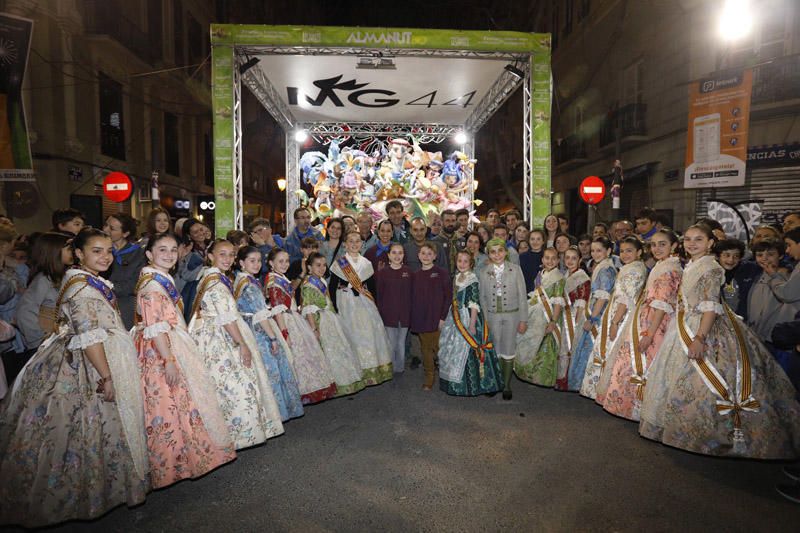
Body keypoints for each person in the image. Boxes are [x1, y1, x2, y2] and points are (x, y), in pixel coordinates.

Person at [0, 228, 147, 527]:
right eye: (96, 250)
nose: (105, 256)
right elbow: (89, 336)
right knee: (79, 426)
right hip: (84, 362)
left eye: (108, 250)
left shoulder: (87, 280)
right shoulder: (81, 287)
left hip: (96, 352)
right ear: (78, 253)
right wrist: (106, 376)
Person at [639, 224, 800, 459]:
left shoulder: (711, 268)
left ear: (710, 243)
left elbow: (710, 307)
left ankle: (710, 434)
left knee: (703, 383)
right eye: (689, 240)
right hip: (684, 324)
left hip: (702, 328)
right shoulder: (692, 264)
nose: (692, 244)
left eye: (699, 240)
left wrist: (700, 338)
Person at [133, 233, 235, 488]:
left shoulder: (160, 278)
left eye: (172, 250)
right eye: (161, 250)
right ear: (149, 254)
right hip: (162, 350)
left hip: (170, 342)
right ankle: (177, 460)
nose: (169, 255)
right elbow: (155, 325)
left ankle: (189, 456)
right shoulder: (152, 285)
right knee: (172, 404)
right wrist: (168, 360)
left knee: (183, 404)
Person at [188, 239, 285, 448]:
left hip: (216, 331)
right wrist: (241, 344)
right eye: (222, 254)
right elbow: (227, 318)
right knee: (236, 387)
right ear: (210, 255)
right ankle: (237, 433)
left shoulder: (213, 277)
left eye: (231, 255)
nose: (228, 259)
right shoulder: (215, 281)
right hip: (222, 336)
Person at [600, 229, 682, 420]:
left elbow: (662, 305)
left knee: (642, 364)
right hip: (644, 317)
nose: (657, 248)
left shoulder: (670, 269)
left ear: (674, 246)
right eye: (654, 245)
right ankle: (631, 407)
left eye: (662, 244)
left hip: (654, 323)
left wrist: (650, 334)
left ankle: (638, 408)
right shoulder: (662, 265)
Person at [234, 246, 304, 421]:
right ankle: (275, 413)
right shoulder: (249, 284)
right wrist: (273, 338)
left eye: (258, 261)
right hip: (258, 331)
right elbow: (260, 315)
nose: (257, 264)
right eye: (252, 261)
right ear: (241, 263)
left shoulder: (244, 280)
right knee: (271, 371)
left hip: (250, 326)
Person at [265, 247, 337, 404]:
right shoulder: (274, 281)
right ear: (271, 263)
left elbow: (291, 290)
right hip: (286, 321)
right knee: (298, 357)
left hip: (292, 317)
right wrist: (285, 333)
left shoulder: (279, 277)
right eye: (280, 261)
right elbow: (278, 310)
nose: (285, 264)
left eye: (286, 261)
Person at [588, 236, 648, 402]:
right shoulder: (629, 267)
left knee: (613, 352)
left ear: (640, 252)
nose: (625, 254)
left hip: (622, 315)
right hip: (616, 312)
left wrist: (615, 322)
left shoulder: (634, 270)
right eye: (622, 251)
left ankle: (613, 395)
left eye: (630, 251)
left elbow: (625, 299)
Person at [329, 231, 393, 385]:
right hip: (345, 302)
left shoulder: (366, 263)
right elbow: (332, 287)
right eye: (351, 241)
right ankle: (353, 370)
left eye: (357, 241)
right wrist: (335, 308)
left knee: (367, 334)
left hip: (364, 303)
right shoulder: (340, 263)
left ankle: (370, 369)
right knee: (349, 334)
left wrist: (375, 305)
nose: (354, 244)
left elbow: (372, 287)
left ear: (361, 244)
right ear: (345, 244)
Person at [439, 250, 504, 396]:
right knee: (453, 349)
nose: (462, 264)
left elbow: (474, 303)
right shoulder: (456, 277)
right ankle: (454, 383)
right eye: (459, 261)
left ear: (471, 263)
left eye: (465, 261)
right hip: (455, 316)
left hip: (469, 317)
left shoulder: (472, 278)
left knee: (470, 349)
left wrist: (472, 324)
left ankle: (479, 384)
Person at [301, 252, 366, 396]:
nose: (322, 268)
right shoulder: (308, 284)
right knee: (326, 350)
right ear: (309, 267)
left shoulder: (322, 280)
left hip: (329, 318)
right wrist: (314, 329)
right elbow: (308, 309)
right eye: (318, 265)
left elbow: (328, 300)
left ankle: (343, 379)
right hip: (319, 321)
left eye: (324, 265)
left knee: (338, 348)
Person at [479, 238, 528, 400]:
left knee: (508, 349)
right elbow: (483, 298)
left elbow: (522, 296)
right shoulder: (484, 271)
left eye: (500, 250)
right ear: (488, 254)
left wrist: (523, 320)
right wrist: (485, 320)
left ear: (506, 252)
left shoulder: (515, 269)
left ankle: (506, 385)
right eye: (493, 252)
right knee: (494, 349)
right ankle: (496, 382)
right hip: (492, 316)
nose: (497, 254)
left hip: (512, 315)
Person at [567, 236, 617, 391]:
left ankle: (592, 386)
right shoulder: (601, 266)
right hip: (595, 310)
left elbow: (603, 296)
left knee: (591, 350)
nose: (595, 254)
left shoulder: (606, 269)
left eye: (599, 250)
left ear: (608, 251)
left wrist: (593, 318)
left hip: (598, 315)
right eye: (593, 250)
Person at [514, 247, 565, 387]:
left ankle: (542, 376)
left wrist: (553, 321)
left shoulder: (559, 278)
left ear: (558, 260)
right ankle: (528, 373)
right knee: (528, 341)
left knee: (544, 346)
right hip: (534, 312)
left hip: (548, 316)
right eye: (547, 258)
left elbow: (558, 301)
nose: (550, 261)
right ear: (542, 260)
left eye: (553, 258)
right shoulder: (540, 274)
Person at [15, 233, 71, 355]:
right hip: (45, 345)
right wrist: (38, 341)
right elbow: (24, 312)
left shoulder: (62, 276)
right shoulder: (44, 279)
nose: (73, 252)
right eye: (69, 248)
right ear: (54, 252)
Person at [410, 242, 451, 390]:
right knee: (426, 349)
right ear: (418, 256)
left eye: (429, 254)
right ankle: (429, 376)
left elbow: (448, 297)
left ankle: (446, 374)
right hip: (421, 318)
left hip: (437, 318)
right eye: (423, 253)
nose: (426, 256)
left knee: (439, 348)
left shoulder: (442, 273)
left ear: (435, 256)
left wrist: (443, 317)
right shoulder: (415, 275)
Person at [555, 247, 591, 391]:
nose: (570, 261)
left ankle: (567, 380)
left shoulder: (582, 277)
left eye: (574, 258)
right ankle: (560, 377)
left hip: (575, 315)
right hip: (565, 314)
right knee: (562, 347)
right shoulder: (565, 274)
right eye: (567, 257)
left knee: (569, 346)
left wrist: (576, 322)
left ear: (580, 260)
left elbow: (583, 299)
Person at [102, 214, 146, 330]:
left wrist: (108, 287)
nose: (105, 230)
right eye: (106, 225)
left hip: (125, 308)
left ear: (125, 234)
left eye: (112, 228)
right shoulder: (99, 251)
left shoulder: (138, 254)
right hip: (101, 305)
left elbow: (135, 283)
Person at [374, 243, 412, 375]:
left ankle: (399, 368)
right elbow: (380, 294)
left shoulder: (408, 272)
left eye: (400, 253)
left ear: (403, 255)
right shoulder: (383, 273)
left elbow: (412, 294)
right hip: (389, 314)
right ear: (388, 255)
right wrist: (380, 313)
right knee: (391, 343)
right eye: (394, 253)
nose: (397, 256)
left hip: (405, 314)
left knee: (401, 343)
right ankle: (391, 367)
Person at [432, 209, 460, 275]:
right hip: (440, 279)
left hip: (459, 280)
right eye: (447, 221)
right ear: (441, 222)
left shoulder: (462, 240)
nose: (450, 223)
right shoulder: (434, 242)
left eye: (453, 221)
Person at [519, 228, 545, 295]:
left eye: (538, 239)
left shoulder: (547, 257)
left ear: (543, 241)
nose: (535, 242)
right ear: (529, 241)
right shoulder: (522, 257)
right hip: (525, 293)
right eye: (532, 239)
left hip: (543, 295)